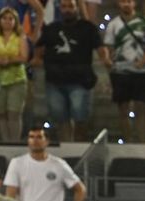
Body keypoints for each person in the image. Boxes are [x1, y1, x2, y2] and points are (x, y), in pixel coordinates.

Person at [39, 0, 99, 143]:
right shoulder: (51, 28)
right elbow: (39, 47)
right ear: (60, 8)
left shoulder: (87, 27)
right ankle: (66, 146)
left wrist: (107, 60)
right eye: (64, 7)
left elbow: (100, 48)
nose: (67, 10)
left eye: (70, 6)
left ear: (77, 7)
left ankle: (79, 147)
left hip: (80, 80)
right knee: (61, 119)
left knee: (80, 118)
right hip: (55, 80)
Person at [100, 0, 145, 143]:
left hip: (141, 71)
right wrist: (109, 68)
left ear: (135, 3)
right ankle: (128, 141)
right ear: (119, 4)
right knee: (123, 110)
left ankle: (142, 142)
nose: (126, 4)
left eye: (129, 1)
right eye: (123, 1)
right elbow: (109, 48)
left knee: (141, 109)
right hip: (120, 71)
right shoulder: (113, 24)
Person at [0, 5, 31, 145]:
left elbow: (23, 57)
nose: (8, 21)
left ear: (15, 21)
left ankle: (14, 143)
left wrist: (9, 60)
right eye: (4, 18)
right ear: (0, 20)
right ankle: (5, 143)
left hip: (16, 78)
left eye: (11, 18)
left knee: (14, 113)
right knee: (1, 113)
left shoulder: (20, 37)